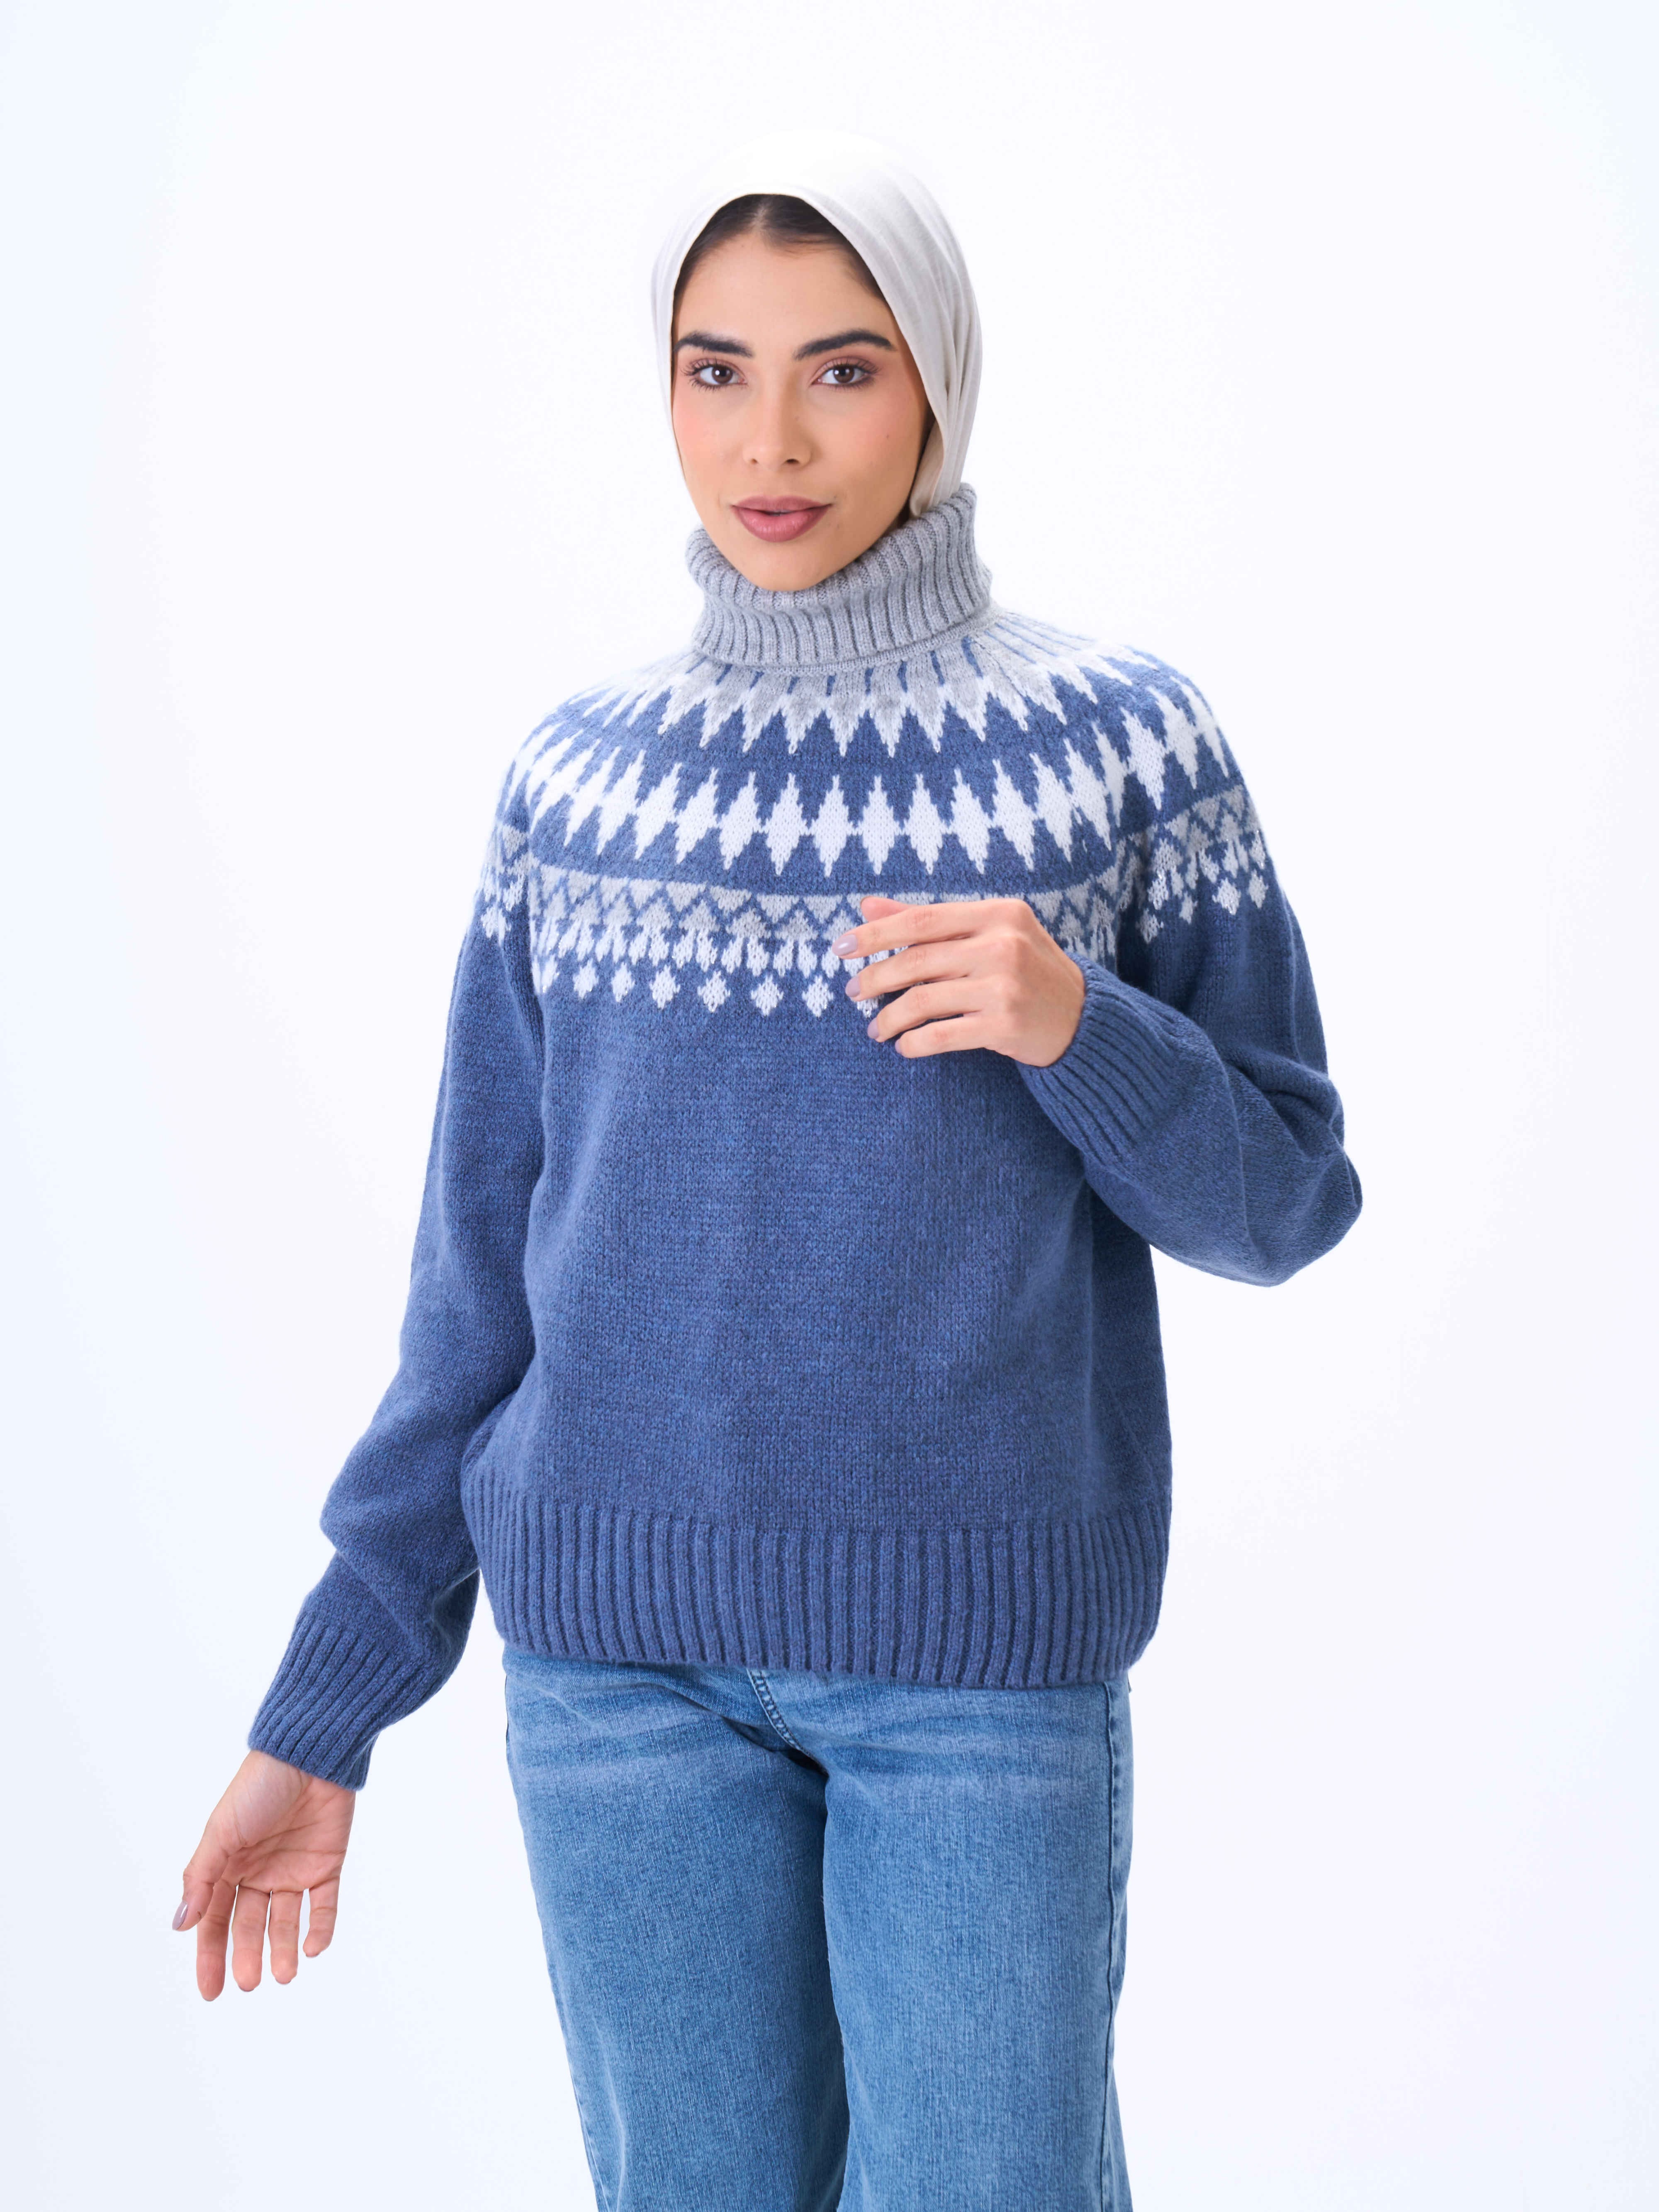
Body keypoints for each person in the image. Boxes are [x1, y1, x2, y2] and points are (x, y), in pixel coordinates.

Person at [174, 129, 1361, 2210]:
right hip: (614, 1676)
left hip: (976, 1664)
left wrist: (1077, 1019)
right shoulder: (576, 781)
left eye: (843, 368)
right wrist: (332, 1695)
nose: (771, 440)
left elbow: (1282, 1201)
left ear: (939, 382)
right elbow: (477, 1293)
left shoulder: (1119, 743)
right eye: (714, 370)